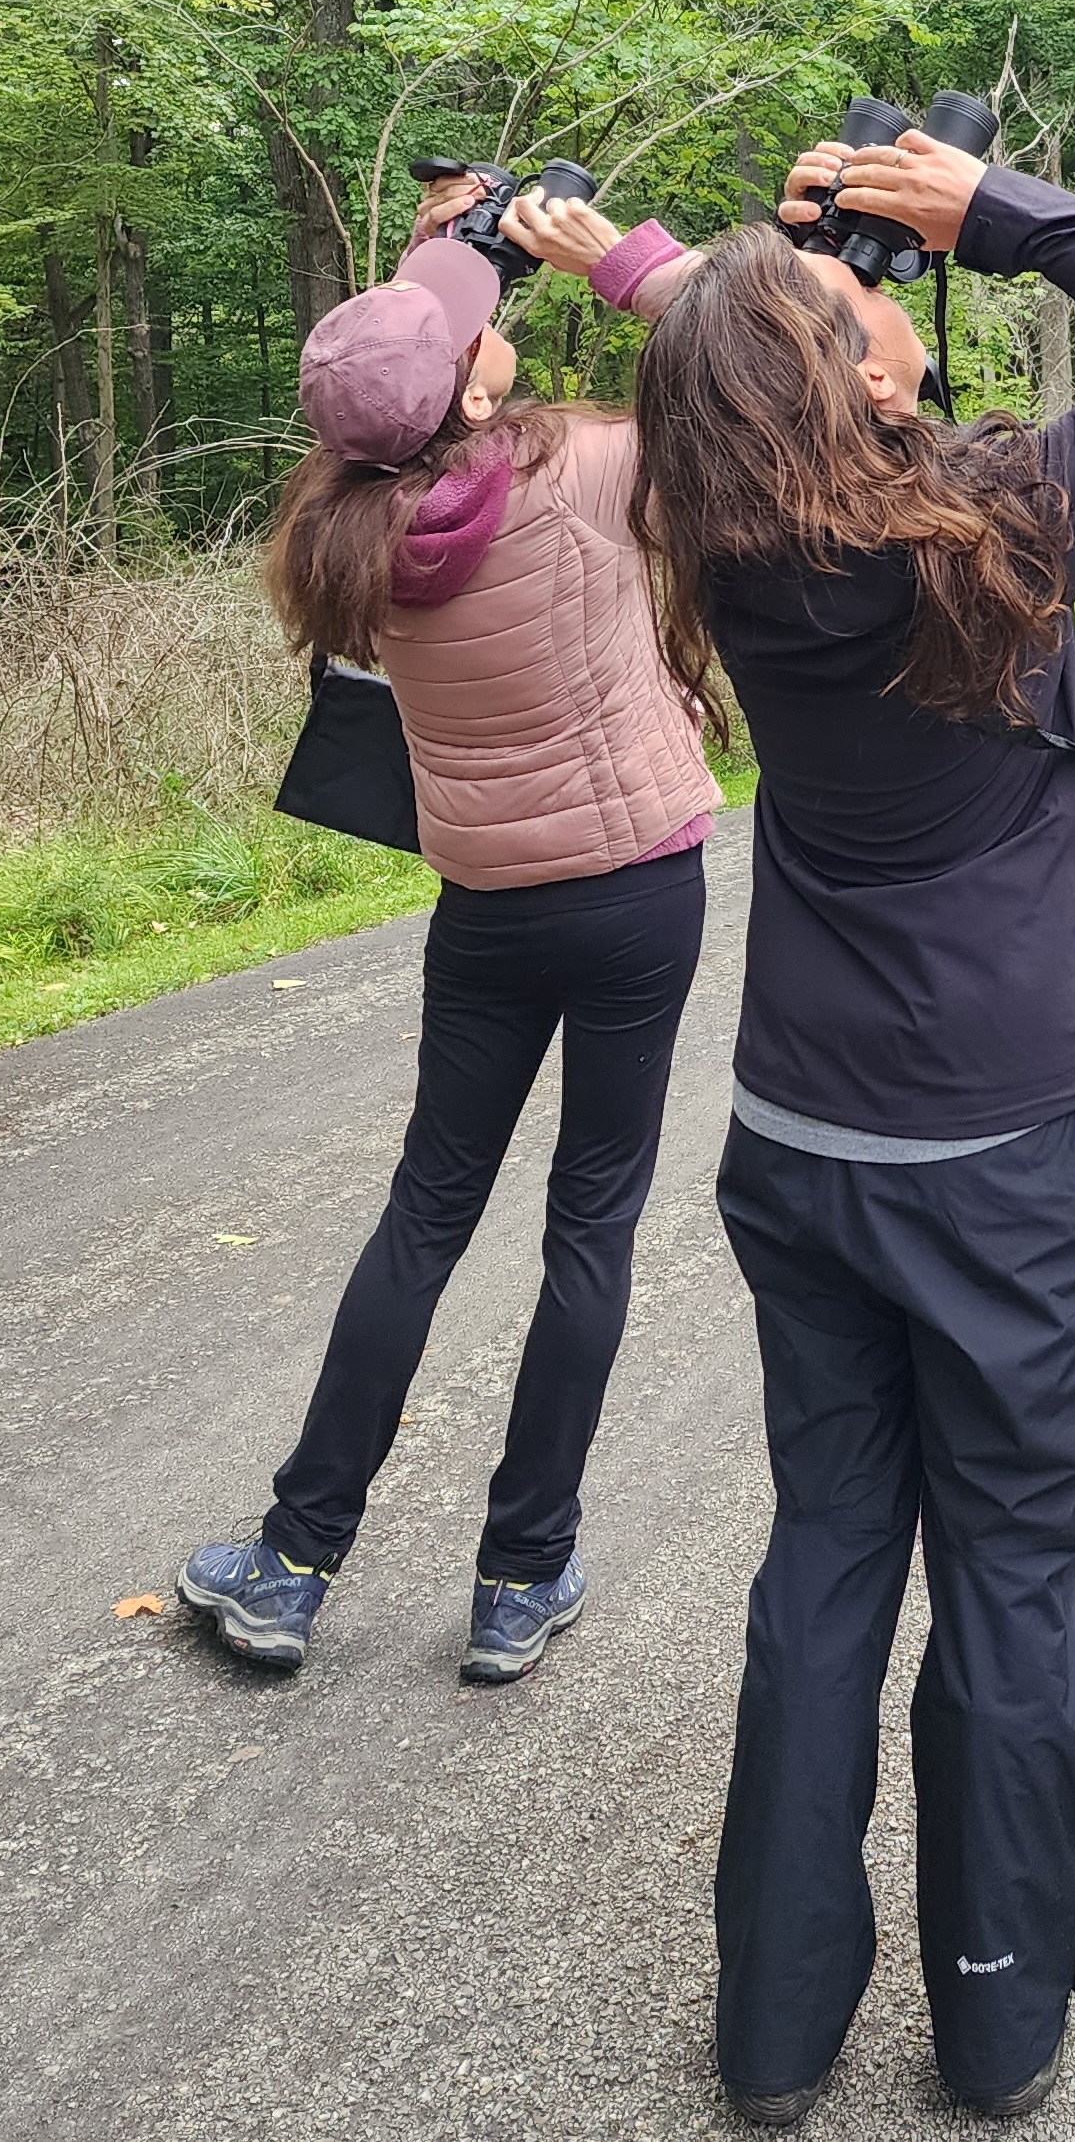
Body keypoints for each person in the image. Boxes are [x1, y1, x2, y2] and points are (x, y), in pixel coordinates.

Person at [561, 133, 1075, 2126]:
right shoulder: (997, 520)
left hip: (803, 1125)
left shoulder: (721, 535)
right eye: (849, 308)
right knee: (1019, 1568)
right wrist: (996, 210)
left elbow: (714, 364)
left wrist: (731, 288)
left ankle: (776, 2028)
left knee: (827, 1554)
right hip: (1001, 1144)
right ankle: (994, 2007)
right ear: (866, 383)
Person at [180, 176, 722, 1684]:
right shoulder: (596, 467)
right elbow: (735, 383)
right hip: (634, 895)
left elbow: (396, 370)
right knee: (589, 1225)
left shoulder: (339, 533)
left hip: (485, 905)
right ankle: (519, 1573)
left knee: (425, 1215)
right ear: (477, 375)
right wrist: (610, 253)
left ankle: (292, 1562)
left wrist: (449, 255)